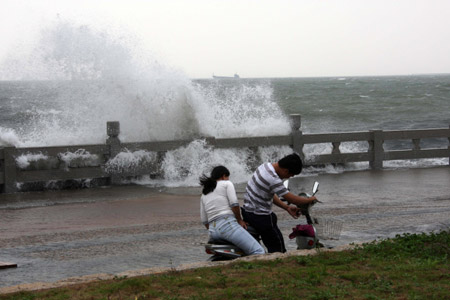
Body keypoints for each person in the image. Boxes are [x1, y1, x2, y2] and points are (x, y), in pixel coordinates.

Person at [241, 153, 317, 253]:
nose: (289, 177)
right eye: (290, 175)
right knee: (278, 248)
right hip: (260, 217)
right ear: (286, 170)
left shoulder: (264, 166)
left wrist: (287, 207)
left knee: (273, 218)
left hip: (248, 211)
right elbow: (293, 199)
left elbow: (270, 194)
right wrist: (311, 199)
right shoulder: (273, 179)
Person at [200, 166, 265, 256]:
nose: (228, 179)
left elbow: (204, 220)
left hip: (212, 232)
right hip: (228, 225)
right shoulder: (227, 184)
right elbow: (234, 204)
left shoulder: (205, 193)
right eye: (227, 177)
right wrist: (239, 220)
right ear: (223, 176)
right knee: (259, 251)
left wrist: (214, 229)